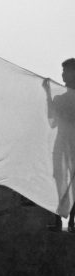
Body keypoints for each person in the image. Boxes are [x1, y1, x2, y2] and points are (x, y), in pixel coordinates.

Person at [43, 58, 75, 232]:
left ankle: (71, 222)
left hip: (72, 143)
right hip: (62, 143)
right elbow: (53, 121)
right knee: (59, 179)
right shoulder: (60, 98)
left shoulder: (65, 99)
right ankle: (58, 219)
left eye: (67, 71)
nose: (63, 74)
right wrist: (48, 95)